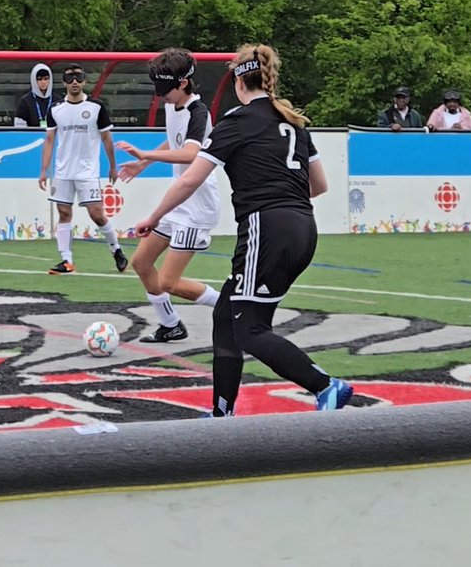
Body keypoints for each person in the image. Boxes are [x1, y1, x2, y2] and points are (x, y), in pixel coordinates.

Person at [134, 43, 353, 415]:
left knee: (250, 329)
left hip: (266, 229)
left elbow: (190, 180)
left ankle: (325, 385)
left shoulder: (237, 121)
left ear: (238, 81)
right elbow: (319, 186)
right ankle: (222, 412)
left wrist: (153, 218)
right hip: (303, 227)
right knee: (226, 315)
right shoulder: (293, 122)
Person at [116, 48, 220, 343]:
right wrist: (142, 164)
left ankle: (235, 306)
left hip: (197, 207)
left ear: (183, 83)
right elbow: (174, 140)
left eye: (165, 89)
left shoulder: (199, 113)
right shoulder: (173, 106)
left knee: (169, 282)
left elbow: (190, 153)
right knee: (141, 262)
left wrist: (145, 154)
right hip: (178, 202)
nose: (160, 96)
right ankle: (170, 324)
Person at [38, 63, 128, 275]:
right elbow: (49, 139)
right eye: (70, 78)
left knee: (97, 214)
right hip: (63, 171)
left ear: (85, 81)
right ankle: (67, 261)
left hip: (87, 171)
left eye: (78, 77)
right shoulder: (55, 109)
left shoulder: (96, 107)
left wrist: (113, 166)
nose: (74, 82)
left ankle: (116, 249)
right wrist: (44, 170)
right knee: (63, 212)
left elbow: (106, 138)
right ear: (63, 83)